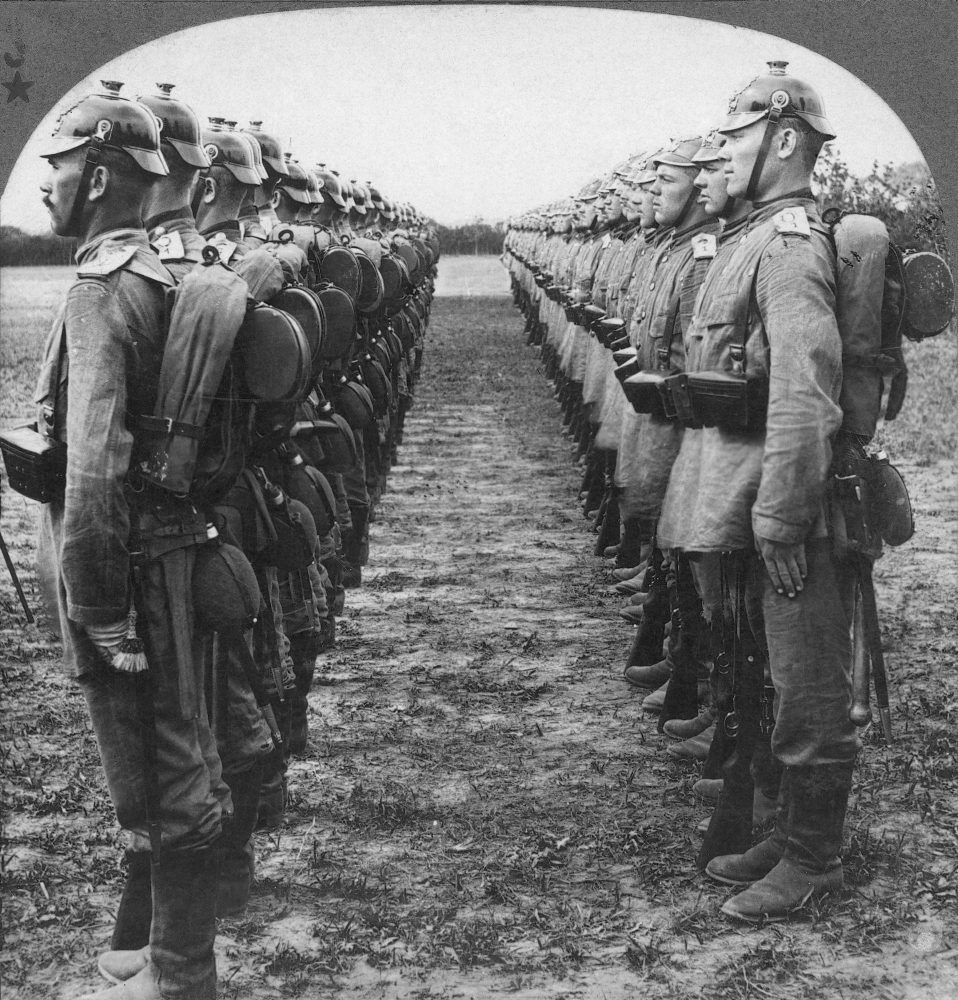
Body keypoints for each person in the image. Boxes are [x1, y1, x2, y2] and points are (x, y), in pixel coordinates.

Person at [35, 80, 226, 1000]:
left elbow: (95, 467)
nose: (47, 182)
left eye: (60, 163)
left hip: (129, 568)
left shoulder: (104, 289)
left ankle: (180, 980)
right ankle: (172, 964)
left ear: (102, 172)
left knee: (151, 771)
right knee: (179, 751)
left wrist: (98, 603)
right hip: (173, 550)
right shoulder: (155, 273)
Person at [657, 61, 854, 922]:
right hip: (752, 495)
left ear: (781, 138)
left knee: (807, 684)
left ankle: (815, 856)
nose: (721, 157)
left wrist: (781, 519)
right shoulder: (754, 237)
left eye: (734, 138)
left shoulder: (789, 247)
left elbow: (807, 393)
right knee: (770, 672)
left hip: (793, 506)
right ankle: (783, 832)